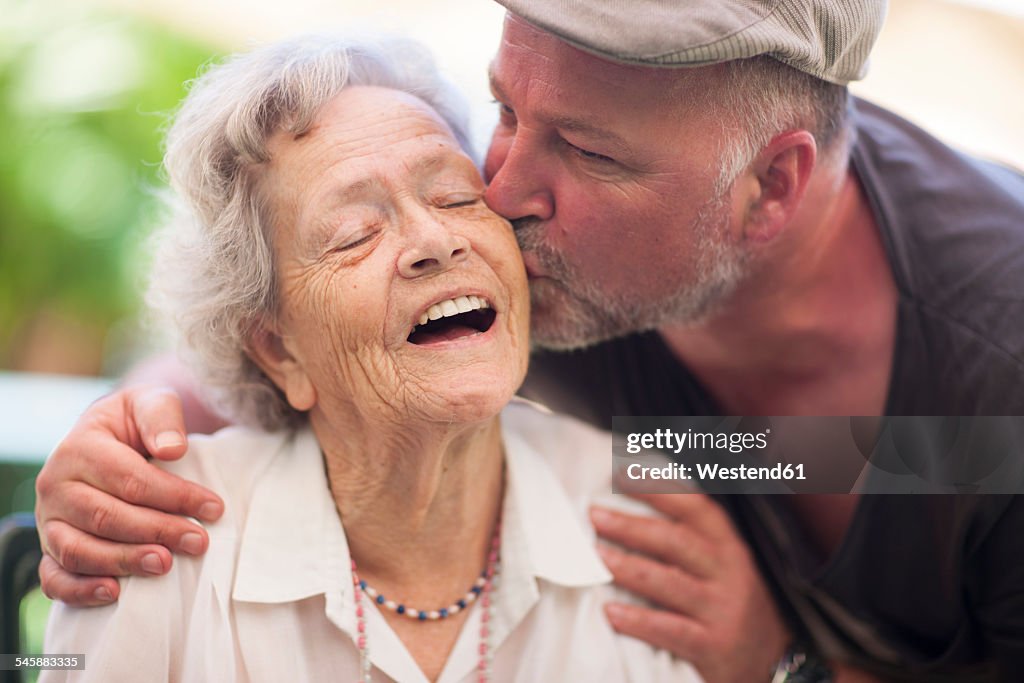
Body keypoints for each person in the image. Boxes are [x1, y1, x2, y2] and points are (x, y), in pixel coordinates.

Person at [35, 1, 1024, 681]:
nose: (494, 192)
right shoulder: (555, 257)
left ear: (767, 187)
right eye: (504, 106)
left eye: (587, 151)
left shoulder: (993, 391)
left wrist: (781, 663)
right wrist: (115, 451)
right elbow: (281, 337)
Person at [39, 34, 704, 683]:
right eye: (355, 233)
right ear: (277, 348)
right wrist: (116, 448)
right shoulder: (161, 549)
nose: (436, 239)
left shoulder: (648, 498)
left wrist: (776, 655)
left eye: (455, 196)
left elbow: (788, 455)